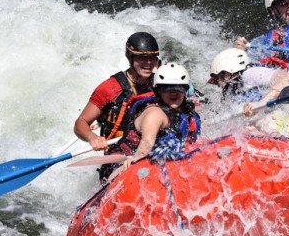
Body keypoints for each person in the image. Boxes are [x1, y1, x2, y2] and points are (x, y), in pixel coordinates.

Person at [74, 31, 160, 161]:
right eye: (142, 57)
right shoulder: (110, 88)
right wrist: (93, 138)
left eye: (152, 58)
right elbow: (81, 123)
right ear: (129, 57)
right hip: (120, 153)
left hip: (153, 147)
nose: (148, 62)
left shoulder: (162, 80)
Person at [110, 62, 201, 174]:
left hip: (161, 166)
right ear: (158, 92)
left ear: (185, 90)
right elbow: (146, 144)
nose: (173, 93)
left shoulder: (187, 113)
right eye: (166, 88)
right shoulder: (155, 114)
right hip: (122, 162)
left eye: (178, 88)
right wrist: (137, 158)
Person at [208, 48, 289, 137]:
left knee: (261, 124)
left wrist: (260, 103)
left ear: (228, 74)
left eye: (218, 78)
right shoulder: (230, 90)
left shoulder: (250, 73)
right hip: (278, 125)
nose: (217, 83)